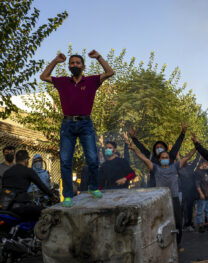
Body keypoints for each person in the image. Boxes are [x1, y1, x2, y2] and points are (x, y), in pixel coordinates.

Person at [40, 51, 115, 207]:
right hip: (67, 124)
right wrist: (55, 60)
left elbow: (110, 72)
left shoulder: (92, 81)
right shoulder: (62, 82)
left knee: (93, 159)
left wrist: (99, 58)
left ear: (83, 66)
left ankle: (93, 187)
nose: (74, 65)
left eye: (77, 63)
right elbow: (43, 76)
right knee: (66, 161)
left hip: (86, 123)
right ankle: (67, 195)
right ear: (68, 66)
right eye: (72, 63)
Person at [129, 140, 196, 245]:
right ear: (159, 160)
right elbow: (143, 158)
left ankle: (177, 244)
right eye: (162, 158)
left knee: (178, 222)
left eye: (166, 158)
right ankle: (162, 243)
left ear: (169, 159)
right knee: (161, 222)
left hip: (174, 198)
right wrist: (134, 149)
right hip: (161, 199)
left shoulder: (175, 166)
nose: (164, 159)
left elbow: (188, 156)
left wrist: (196, 146)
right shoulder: (155, 168)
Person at [1, 150, 58, 221]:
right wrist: (52, 195)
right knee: (46, 212)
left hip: (6, 206)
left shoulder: (7, 172)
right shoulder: (28, 171)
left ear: (16, 160)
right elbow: (41, 185)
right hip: (21, 206)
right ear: (26, 160)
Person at [128, 123, 187, 187]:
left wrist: (183, 133)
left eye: (161, 147)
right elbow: (142, 149)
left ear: (165, 148)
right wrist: (133, 138)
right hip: (154, 188)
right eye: (157, 147)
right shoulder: (151, 158)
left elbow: (177, 145)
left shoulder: (170, 157)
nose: (159, 148)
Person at [178, 153, 201, 231]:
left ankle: (188, 224)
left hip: (189, 192)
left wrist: (198, 151)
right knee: (186, 209)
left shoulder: (188, 168)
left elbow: (196, 160)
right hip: (184, 192)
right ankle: (187, 224)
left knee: (188, 209)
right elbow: (196, 160)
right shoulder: (180, 169)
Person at [194, 159, 208, 231]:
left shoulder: (205, 171)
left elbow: (206, 182)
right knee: (200, 211)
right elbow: (197, 184)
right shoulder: (197, 172)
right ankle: (200, 225)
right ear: (203, 163)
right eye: (207, 164)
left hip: (207, 194)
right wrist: (201, 193)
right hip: (202, 195)